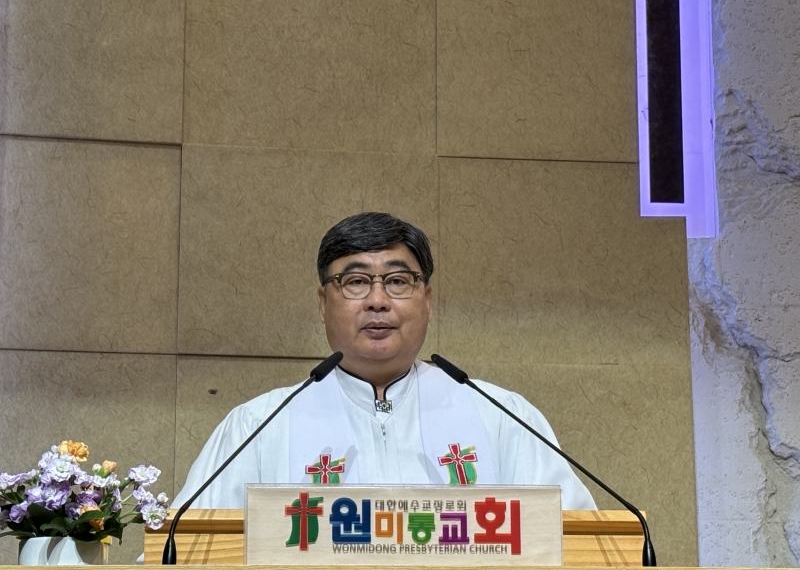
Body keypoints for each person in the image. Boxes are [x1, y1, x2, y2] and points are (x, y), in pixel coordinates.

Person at [173, 212, 595, 510]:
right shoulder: (259, 426)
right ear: (322, 304)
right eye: (356, 282)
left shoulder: (501, 416)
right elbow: (182, 549)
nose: (377, 301)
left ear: (427, 301)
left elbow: (577, 542)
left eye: (397, 281)